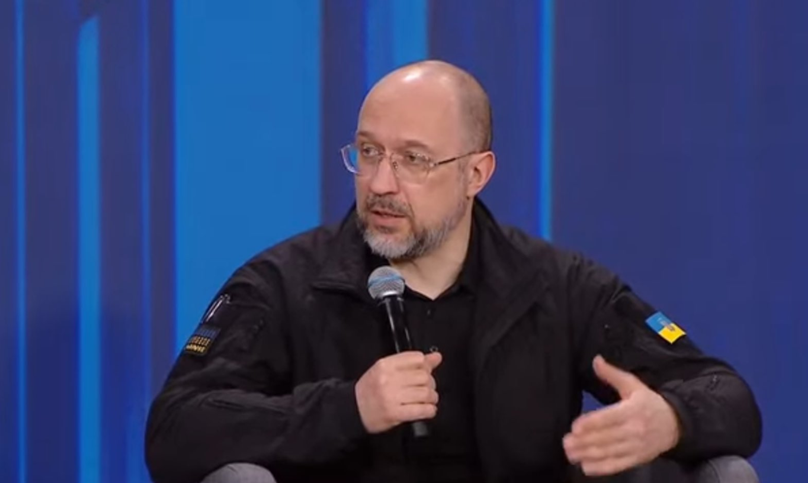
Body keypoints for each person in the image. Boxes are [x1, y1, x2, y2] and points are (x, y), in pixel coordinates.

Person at [144, 60, 761, 483]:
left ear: (476, 173)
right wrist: (347, 408)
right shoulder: (282, 284)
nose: (380, 183)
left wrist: (672, 420)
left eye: (413, 160)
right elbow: (175, 426)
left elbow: (728, 395)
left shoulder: (561, 286)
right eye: (368, 153)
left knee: (727, 472)